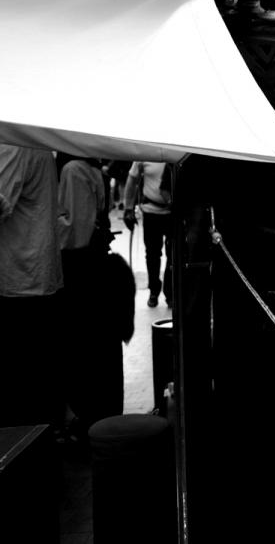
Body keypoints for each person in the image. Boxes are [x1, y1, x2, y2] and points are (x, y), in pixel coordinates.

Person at [58, 154, 130, 436]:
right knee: (100, 347)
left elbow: (75, 232)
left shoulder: (74, 169)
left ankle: (94, 418)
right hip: (92, 267)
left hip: (82, 270)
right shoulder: (89, 169)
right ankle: (103, 415)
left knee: (88, 347)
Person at [0, 145, 65, 428]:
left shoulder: (12, 143)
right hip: (32, 275)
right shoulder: (26, 139)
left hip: (20, 278)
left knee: (22, 387)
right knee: (37, 378)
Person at [123, 161, 174, 308]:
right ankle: (154, 290)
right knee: (152, 254)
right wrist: (128, 208)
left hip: (173, 213)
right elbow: (132, 179)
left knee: (173, 254)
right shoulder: (145, 154)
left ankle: (170, 291)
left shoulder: (174, 152)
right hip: (151, 212)